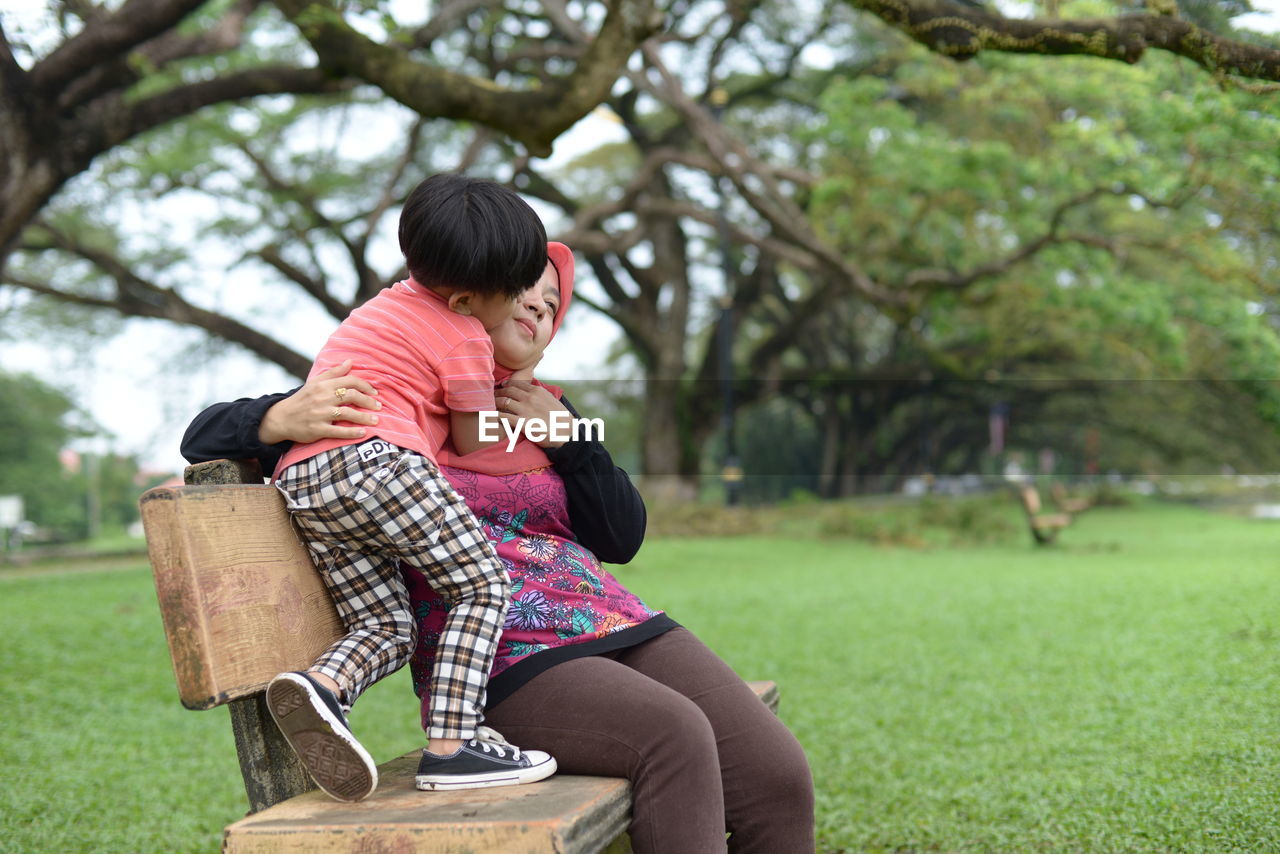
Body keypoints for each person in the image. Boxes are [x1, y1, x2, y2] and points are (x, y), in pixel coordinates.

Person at [183, 242, 815, 853]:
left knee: (776, 773)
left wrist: (571, 442)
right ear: (475, 297)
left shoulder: (555, 411)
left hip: (615, 622)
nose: (538, 306)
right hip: (500, 658)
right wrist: (276, 418)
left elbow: (623, 537)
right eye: (522, 289)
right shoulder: (388, 392)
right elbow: (202, 434)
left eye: (551, 303)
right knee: (672, 737)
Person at [260, 173, 556, 802]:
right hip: (380, 466)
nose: (525, 300)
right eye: (515, 292)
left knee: (387, 625)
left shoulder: (379, 309)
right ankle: (453, 746)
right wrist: (517, 384)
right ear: (466, 300)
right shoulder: (466, 337)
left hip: (306, 480)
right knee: (481, 585)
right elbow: (472, 442)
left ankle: (324, 687)